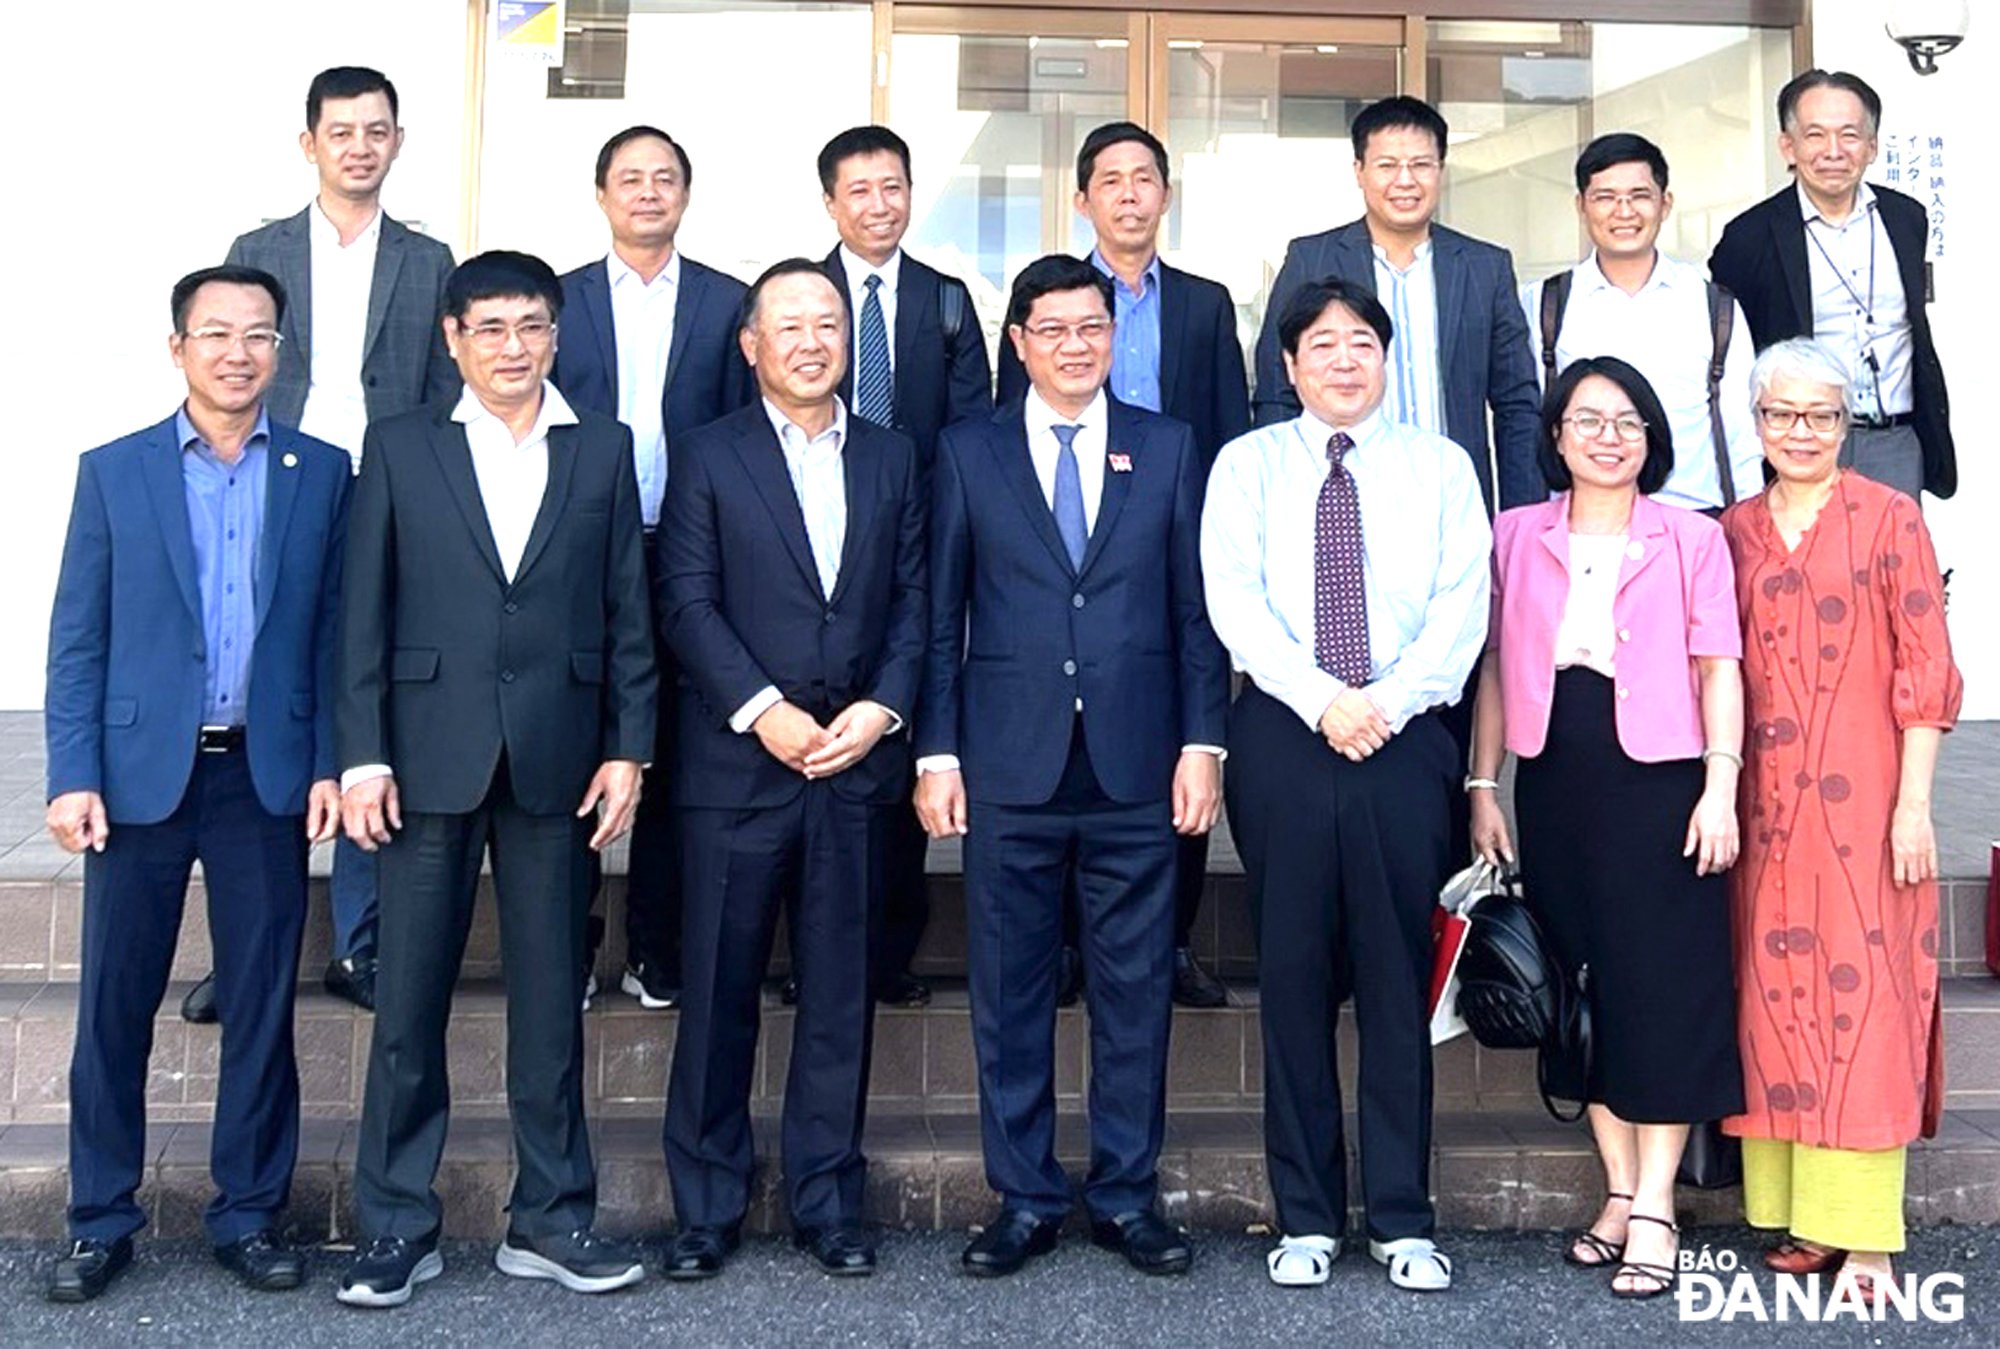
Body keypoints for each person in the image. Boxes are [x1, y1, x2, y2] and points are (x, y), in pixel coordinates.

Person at [334, 251, 655, 1308]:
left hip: (559, 757)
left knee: (552, 999)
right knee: (408, 1000)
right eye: (491, 328)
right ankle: (394, 1223)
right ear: (453, 338)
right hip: (424, 754)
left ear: (555, 335)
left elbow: (626, 613)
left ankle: (551, 1217)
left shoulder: (601, 448)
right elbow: (362, 612)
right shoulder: (399, 445)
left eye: (531, 327)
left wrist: (628, 745)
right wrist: (364, 750)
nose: (512, 347)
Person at [916, 254, 1227, 1279]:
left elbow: (1193, 613)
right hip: (1009, 759)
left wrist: (1201, 742)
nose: (1072, 344)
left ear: (1111, 332)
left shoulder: (1169, 446)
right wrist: (937, 747)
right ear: (1017, 343)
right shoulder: (967, 451)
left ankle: (1127, 1195)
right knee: (1007, 991)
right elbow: (938, 617)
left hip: (1137, 760)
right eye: (1049, 328)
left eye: (1089, 324)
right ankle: (1026, 1196)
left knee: (1132, 990)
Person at [43, 265, 350, 1301]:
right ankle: (99, 1217)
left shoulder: (323, 472)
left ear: (279, 352)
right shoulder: (114, 470)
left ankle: (250, 1212)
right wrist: (72, 770)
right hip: (135, 780)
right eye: (214, 333)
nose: (236, 352)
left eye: (258, 334)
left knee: (260, 1005)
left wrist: (325, 763)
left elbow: (334, 636)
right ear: (176, 347)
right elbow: (76, 638)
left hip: (261, 775)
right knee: (114, 1006)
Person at [1204, 278, 1488, 1293]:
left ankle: (1402, 1217)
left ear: (1385, 357)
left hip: (1407, 737)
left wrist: (1388, 701)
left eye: (1359, 341)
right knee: (1289, 979)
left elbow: (1462, 605)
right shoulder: (1245, 466)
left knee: (1393, 976)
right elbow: (1232, 598)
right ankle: (1308, 1216)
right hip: (1284, 730)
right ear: (1287, 365)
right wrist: (1325, 698)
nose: (1340, 358)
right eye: (1319, 344)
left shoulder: (1440, 466)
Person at [657, 259, 926, 1281]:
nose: (812, 339)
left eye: (827, 322)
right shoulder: (706, 454)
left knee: (838, 993)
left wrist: (879, 708)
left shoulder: (895, 456)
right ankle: (706, 1205)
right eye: (789, 324)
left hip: (854, 763)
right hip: (738, 767)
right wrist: (763, 710)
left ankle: (827, 1200)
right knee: (718, 990)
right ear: (750, 344)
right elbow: (685, 601)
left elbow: (913, 598)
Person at [1469, 355, 1746, 1300]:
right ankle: (1618, 1190)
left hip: (1663, 778)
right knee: (1579, 979)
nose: (1608, 435)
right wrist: (1483, 783)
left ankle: (1660, 1202)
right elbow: (1499, 669)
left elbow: (1719, 667)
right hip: (1558, 776)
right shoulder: (1515, 533)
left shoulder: (1691, 536)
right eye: (1588, 419)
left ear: (1651, 439)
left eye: (1628, 420)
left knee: (1661, 985)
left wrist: (1721, 785)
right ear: (1555, 436)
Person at [211, 65, 459, 1019]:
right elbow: (231, 362)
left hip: (388, 497)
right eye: (341, 130)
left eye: (377, 130)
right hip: (279, 485)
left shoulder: (428, 258)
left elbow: (446, 391)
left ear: (398, 142)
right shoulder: (258, 247)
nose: (360, 145)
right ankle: (243, 950)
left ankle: (362, 942)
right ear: (308, 142)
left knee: (367, 705)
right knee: (269, 694)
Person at [1718, 338, 1962, 1300]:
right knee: (1774, 999)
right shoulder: (1733, 530)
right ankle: (1800, 1217)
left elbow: (1927, 669)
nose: (1801, 431)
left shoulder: (1890, 518)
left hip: (1868, 805)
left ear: (1847, 424)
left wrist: (1914, 804)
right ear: (1757, 422)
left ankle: (1865, 1233)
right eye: (1783, 413)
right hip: (1762, 809)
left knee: (1866, 1004)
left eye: (1822, 414)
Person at [997, 120, 1248, 1010]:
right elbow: (1007, 429)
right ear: (1083, 199)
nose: (1130, 194)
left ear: (1166, 196)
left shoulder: (1206, 304)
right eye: (1111, 180)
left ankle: (1168, 941)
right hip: (1063, 547)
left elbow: (1226, 429)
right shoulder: (1048, 301)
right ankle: (1069, 944)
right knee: (1067, 749)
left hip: (1167, 541)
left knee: (1168, 737)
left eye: (1146, 178)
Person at [555, 125, 758, 1012]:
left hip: (686, 550)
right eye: (629, 178)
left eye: (663, 178)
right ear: (601, 195)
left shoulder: (729, 304)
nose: (647, 192)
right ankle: (565, 944)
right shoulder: (555, 302)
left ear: (685, 194)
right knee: (572, 742)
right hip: (577, 550)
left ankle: (655, 947)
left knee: (673, 750)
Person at [818, 124, 994, 1009]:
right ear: (830, 202)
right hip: (813, 551)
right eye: (860, 190)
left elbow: (971, 435)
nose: (878, 205)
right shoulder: (801, 298)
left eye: (893, 187)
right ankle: (813, 948)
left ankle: (890, 950)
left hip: (916, 546)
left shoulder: (946, 300)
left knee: (905, 736)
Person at [1251, 95, 1541, 512]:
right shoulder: (1311, 260)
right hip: (1336, 497)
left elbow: (1516, 403)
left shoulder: (1485, 267)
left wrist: (1522, 520)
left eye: (1421, 165)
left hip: (1451, 501)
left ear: (1441, 170)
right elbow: (1278, 392)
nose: (1405, 180)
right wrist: (1283, 500)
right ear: (1359, 172)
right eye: (1387, 165)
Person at [1709, 70, 1955, 504]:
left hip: (1894, 441)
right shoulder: (1749, 238)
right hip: (1799, 447)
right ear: (1789, 146)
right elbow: (1729, 356)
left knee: (1893, 566)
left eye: (1850, 135)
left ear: (1872, 146)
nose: (1833, 152)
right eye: (1815, 135)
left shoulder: (1906, 218)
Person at [1521, 134, 1761, 515]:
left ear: (1665, 204)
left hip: (1694, 520)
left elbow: (1743, 435)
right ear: (1581, 206)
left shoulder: (1713, 305)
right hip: (1582, 524)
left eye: (1639, 195)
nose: (1624, 211)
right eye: (1605, 197)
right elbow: (1529, 422)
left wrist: (1747, 522)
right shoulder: (1544, 305)